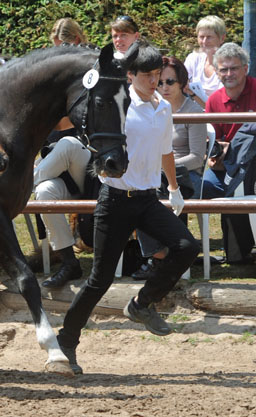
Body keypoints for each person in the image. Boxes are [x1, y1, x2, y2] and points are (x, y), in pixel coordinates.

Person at [56, 41, 200, 375]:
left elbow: (166, 149)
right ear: (131, 75)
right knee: (99, 280)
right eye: (148, 75)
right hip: (116, 200)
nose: (154, 81)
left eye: (158, 75)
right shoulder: (119, 105)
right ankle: (66, 341)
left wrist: (174, 188)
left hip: (148, 198)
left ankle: (142, 304)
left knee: (186, 247)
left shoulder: (163, 107)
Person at [133, 56, 207, 280]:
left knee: (150, 194)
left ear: (182, 83)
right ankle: (160, 255)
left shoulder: (193, 112)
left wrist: (165, 168)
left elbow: (196, 158)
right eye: (160, 81)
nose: (163, 87)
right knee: (136, 192)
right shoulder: (151, 108)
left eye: (170, 82)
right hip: (155, 173)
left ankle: (160, 258)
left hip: (186, 176)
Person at [202, 42, 256, 264]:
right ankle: (234, 252)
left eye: (234, 68)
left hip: (253, 166)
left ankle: (238, 252)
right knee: (201, 188)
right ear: (216, 72)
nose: (229, 73)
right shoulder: (214, 100)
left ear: (245, 68)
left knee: (238, 187)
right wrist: (218, 152)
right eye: (223, 69)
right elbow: (210, 139)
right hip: (225, 166)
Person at [34, 135, 90, 288]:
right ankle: (69, 262)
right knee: (44, 191)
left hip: (95, 170)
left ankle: (19, 185)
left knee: (68, 143)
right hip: (67, 176)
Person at [184, 16, 226, 108]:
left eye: (209, 37)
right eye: (201, 37)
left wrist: (193, 95)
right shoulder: (193, 59)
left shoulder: (228, 65)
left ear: (222, 38)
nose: (204, 41)